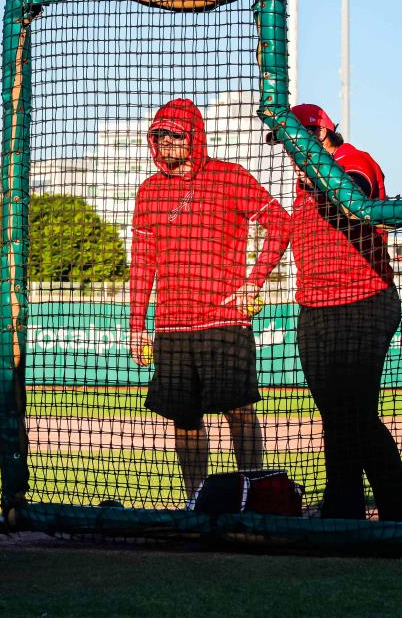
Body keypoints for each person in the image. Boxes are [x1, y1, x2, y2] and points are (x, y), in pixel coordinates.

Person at [129, 98, 291, 507]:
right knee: (184, 420)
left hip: (223, 322)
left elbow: (280, 224)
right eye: (158, 135)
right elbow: (142, 263)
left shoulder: (230, 177)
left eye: (174, 135)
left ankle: (254, 494)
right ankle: (196, 501)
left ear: (194, 137)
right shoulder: (148, 191)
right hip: (170, 326)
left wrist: (254, 283)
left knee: (239, 411)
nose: (165, 142)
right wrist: (136, 325)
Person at [284, 103, 402, 521]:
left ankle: (386, 506)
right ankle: (345, 508)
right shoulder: (301, 186)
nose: (289, 149)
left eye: (295, 140)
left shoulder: (354, 160)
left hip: (364, 301)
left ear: (321, 134)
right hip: (317, 307)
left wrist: (314, 176)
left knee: (354, 413)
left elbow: (353, 198)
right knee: (337, 414)